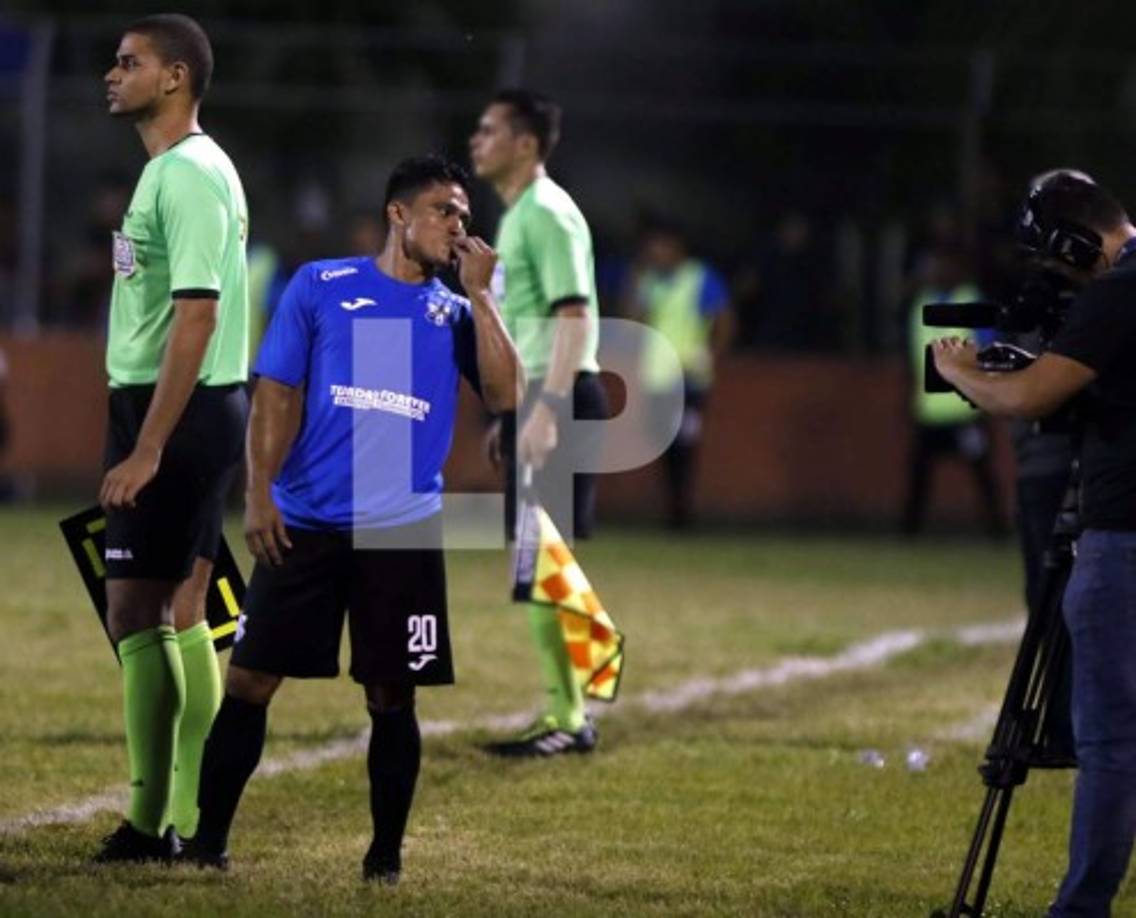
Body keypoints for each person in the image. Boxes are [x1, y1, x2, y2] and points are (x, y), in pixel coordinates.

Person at [184, 156, 521, 883]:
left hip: (401, 529)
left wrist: (483, 298)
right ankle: (208, 842)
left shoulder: (456, 310)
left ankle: (384, 859)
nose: (459, 227)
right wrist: (260, 493)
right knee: (249, 681)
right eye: (444, 211)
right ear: (399, 215)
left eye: (465, 215)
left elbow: (506, 394)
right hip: (304, 518)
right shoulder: (322, 286)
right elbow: (275, 393)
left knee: (391, 694)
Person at [932, 172, 1136, 917]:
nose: (1063, 282)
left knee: (1112, 744)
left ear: (1078, 242)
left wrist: (961, 370)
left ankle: (1080, 909)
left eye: (1061, 265)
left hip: (1122, 537)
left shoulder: (1119, 290)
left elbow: (1028, 398)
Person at [95, 14, 249, 863]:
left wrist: (148, 444)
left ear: (177, 77)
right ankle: (185, 818)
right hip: (186, 408)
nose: (111, 75)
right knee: (182, 607)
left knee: (136, 608)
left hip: (174, 412)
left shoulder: (187, 175)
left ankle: (161, 820)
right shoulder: (181, 170)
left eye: (131, 62)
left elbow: (198, 313)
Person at [469, 88, 609, 757]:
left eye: (490, 130)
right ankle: (587, 683)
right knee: (540, 562)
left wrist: (546, 410)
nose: (477, 140)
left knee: (540, 564)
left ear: (525, 143)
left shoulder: (545, 212)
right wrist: (511, 412)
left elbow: (573, 316)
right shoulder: (523, 214)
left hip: (560, 397)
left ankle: (568, 716)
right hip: (542, 398)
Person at [625, 215, 732, 529]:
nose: (655, 254)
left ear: (676, 248)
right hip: (658, 377)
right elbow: (633, 318)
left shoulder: (699, 278)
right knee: (665, 443)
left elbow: (724, 319)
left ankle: (681, 511)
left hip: (690, 378)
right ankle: (676, 509)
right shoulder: (649, 281)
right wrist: (636, 281)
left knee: (684, 444)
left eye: (660, 247)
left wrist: (712, 354)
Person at [901, 245, 1005, 536]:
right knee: (919, 475)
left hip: (964, 408)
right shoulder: (921, 304)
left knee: (982, 472)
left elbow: (989, 351)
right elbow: (913, 358)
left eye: (938, 267)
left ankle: (997, 531)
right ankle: (908, 533)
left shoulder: (970, 302)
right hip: (930, 410)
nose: (933, 274)